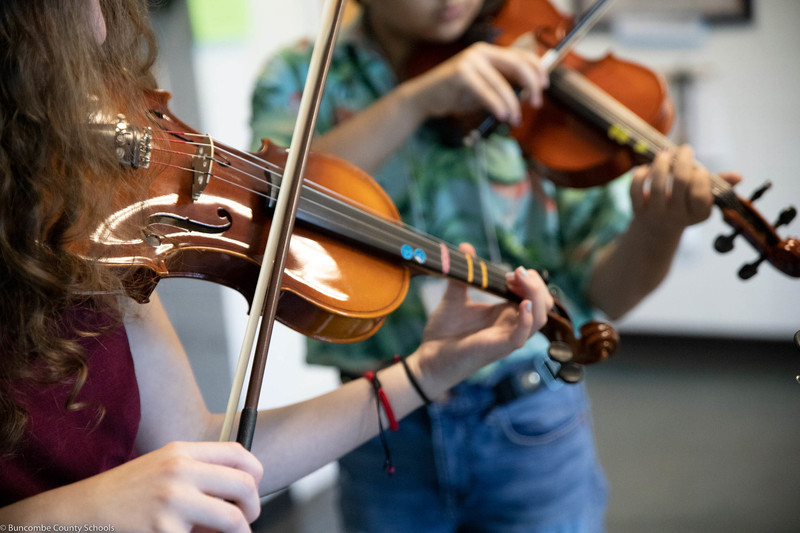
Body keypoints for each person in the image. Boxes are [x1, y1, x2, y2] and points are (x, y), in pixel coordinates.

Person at [0, 1, 556, 530]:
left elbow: (198, 439)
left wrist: (427, 371)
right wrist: (72, 515)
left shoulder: (88, 231)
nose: (100, 27)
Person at [250, 0, 742, 531]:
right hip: (373, 419)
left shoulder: (537, 62)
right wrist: (415, 101)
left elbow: (611, 295)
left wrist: (658, 228)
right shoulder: (299, 75)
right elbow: (274, 201)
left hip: (532, 412)